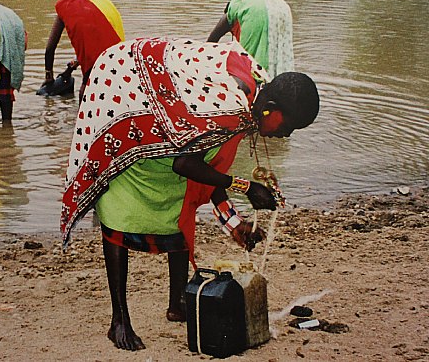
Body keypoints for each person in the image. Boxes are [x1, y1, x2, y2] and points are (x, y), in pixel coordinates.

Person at [60, 37, 319, 351]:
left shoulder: (255, 99)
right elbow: (186, 163)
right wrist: (246, 188)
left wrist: (235, 224)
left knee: (178, 213)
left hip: (168, 124)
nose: (286, 134)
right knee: (117, 219)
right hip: (124, 96)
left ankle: (178, 304)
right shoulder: (230, 107)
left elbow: (209, 167)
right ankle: (119, 321)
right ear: (271, 109)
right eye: (288, 125)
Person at [44, 0, 125, 103]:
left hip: (95, 64)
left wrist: (49, 77)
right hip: (112, 62)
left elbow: (50, 48)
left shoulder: (68, 6)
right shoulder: (97, 8)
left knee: (87, 84)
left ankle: (81, 118)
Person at [207, 0, 294, 78]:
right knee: (278, 51)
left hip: (257, 12)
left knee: (247, 61)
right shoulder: (245, 6)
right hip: (282, 8)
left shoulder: (230, 14)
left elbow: (211, 42)